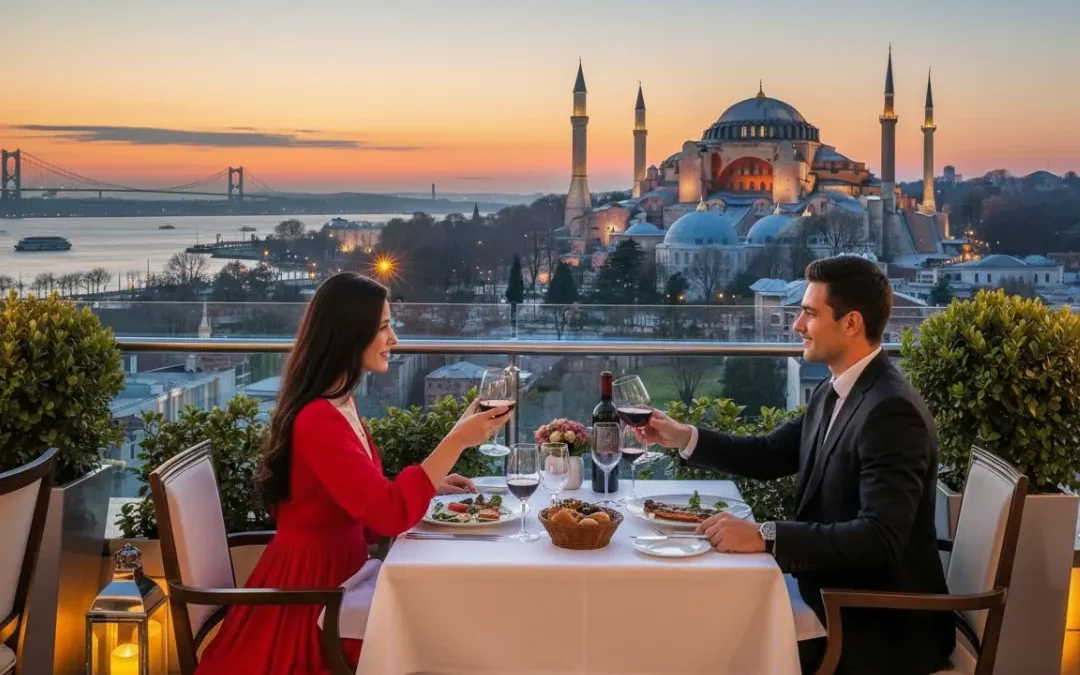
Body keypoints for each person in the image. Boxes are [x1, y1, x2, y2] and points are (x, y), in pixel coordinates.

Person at [637, 255, 954, 675]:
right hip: (827, 598)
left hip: (876, 624)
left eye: (809, 313)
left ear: (851, 323)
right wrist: (684, 437)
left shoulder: (891, 412)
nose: (796, 326)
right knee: (697, 622)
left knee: (711, 645)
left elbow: (879, 538)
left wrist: (767, 537)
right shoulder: (836, 388)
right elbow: (770, 454)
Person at [194, 272, 510, 675]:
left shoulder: (337, 404)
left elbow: (366, 499)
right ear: (349, 334)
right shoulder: (318, 419)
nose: (393, 338)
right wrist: (455, 442)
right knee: (441, 642)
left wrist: (431, 484)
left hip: (339, 582)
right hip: (314, 604)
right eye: (382, 327)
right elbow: (388, 515)